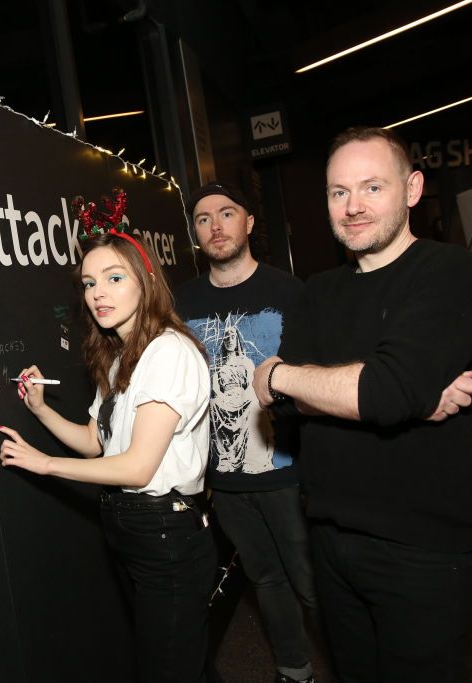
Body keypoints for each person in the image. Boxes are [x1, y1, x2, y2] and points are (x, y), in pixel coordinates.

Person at [254, 126, 472, 682]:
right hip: (332, 541)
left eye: (371, 188)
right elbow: (280, 407)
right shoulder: (319, 290)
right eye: (339, 192)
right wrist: (399, 396)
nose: (353, 207)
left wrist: (287, 374)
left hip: (422, 551)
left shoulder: (450, 272)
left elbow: (381, 393)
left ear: (412, 189)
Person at [0, 190, 217, 683]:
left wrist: (46, 464)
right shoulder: (120, 356)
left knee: (168, 669)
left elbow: (137, 467)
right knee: (181, 663)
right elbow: (97, 442)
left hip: (167, 535)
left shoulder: (168, 352)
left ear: (146, 279)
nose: (99, 292)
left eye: (115, 278)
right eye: (90, 282)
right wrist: (41, 409)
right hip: (132, 530)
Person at [175, 182, 318, 683]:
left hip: (289, 470)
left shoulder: (289, 291)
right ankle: (294, 670)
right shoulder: (182, 302)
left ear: (249, 222)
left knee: (312, 580)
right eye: (202, 218)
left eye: (227, 213)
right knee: (267, 580)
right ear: (194, 232)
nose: (216, 226)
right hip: (227, 481)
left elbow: (317, 379)